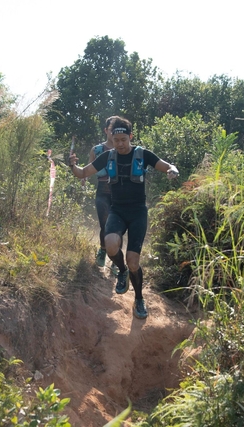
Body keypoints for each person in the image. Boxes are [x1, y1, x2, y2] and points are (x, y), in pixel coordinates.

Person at [68, 116, 179, 319]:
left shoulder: (143, 154)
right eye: (116, 140)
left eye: (123, 140)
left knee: (133, 261)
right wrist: (72, 165)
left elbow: (167, 166)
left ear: (130, 137)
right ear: (111, 137)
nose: (119, 144)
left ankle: (139, 299)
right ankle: (121, 271)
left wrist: (173, 170)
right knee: (110, 245)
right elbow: (83, 172)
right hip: (117, 210)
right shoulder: (107, 156)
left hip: (137, 213)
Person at [89, 116, 117, 270]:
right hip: (102, 190)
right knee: (104, 223)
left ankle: (116, 258)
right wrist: (82, 177)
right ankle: (103, 250)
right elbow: (89, 168)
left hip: (119, 192)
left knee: (118, 226)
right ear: (106, 130)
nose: (114, 133)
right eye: (111, 129)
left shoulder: (124, 149)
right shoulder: (97, 150)